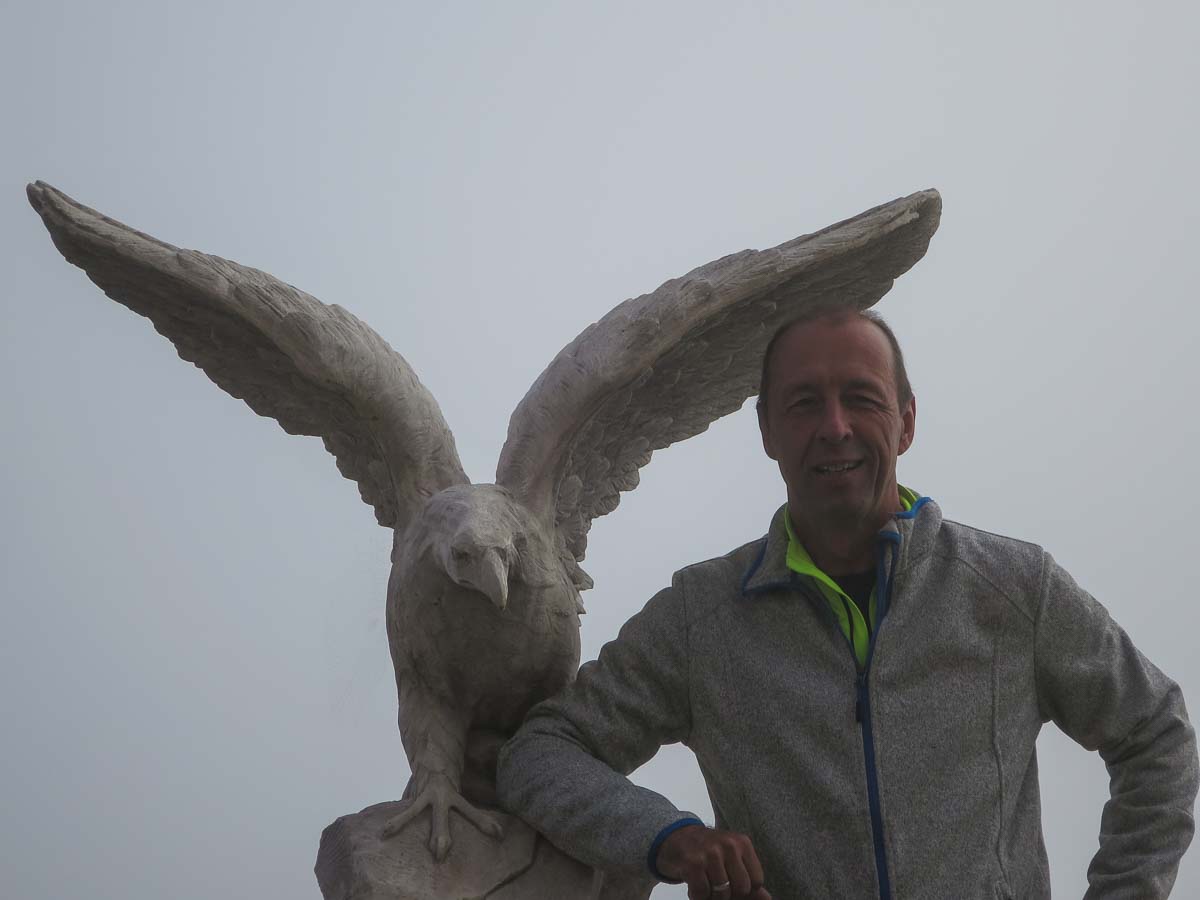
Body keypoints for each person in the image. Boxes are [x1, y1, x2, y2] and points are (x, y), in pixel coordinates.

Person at [495, 310, 1199, 899]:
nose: (834, 426)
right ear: (767, 431)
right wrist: (667, 838)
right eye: (804, 403)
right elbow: (540, 752)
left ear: (906, 422)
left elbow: (1157, 734)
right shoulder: (700, 617)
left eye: (862, 398)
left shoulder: (1012, 588)